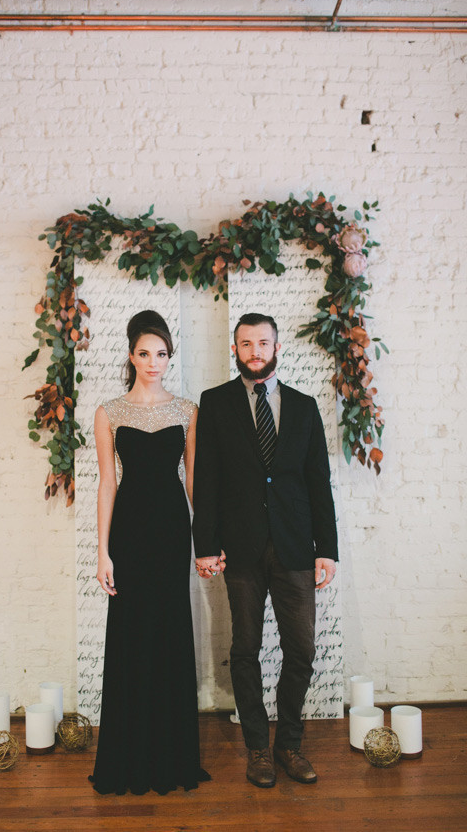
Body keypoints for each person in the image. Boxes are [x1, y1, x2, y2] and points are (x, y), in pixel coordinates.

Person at [193, 312, 338, 789]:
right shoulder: (215, 404)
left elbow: (319, 482)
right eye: (246, 344)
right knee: (245, 650)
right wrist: (206, 546)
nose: (255, 351)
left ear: (277, 347)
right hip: (241, 548)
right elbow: (206, 480)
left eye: (263, 342)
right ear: (235, 349)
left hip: (296, 545)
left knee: (302, 650)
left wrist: (327, 549)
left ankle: (289, 744)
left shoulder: (304, 406)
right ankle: (258, 748)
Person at [89, 310, 210, 796]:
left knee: (169, 630)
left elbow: (194, 482)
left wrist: (206, 541)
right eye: (144, 353)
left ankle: (172, 756)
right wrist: (102, 551)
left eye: (161, 354)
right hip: (129, 534)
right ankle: (128, 757)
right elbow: (106, 484)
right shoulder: (110, 412)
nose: (153, 362)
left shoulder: (187, 411)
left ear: (169, 356)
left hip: (171, 533)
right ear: (131, 355)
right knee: (129, 635)